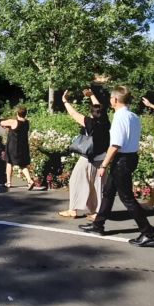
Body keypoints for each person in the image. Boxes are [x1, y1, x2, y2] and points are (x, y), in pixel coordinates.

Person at [79, 86, 154, 248]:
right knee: (108, 192)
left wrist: (104, 165)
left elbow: (115, 144)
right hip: (130, 157)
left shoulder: (119, 117)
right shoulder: (133, 116)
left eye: (111, 98)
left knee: (127, 198)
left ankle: (149, 233)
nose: (110, 100)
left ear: (115, 100)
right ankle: (98, 225)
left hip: (121, 160)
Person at [58, 87, 110, 219]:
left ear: (92, 113)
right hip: (103, 158)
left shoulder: (90, 122)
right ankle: (95, 211)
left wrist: (65, 101)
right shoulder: (106, 123)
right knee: (98, 185)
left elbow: (74, 114)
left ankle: (73, 209)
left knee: (76, 181)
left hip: (88, 158)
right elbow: (99, 108)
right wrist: (92, 94)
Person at [0, 105, 43, 190]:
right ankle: (30, 180)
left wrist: (7, 126)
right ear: (25, 114)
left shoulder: (14, 122)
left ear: (17, 113)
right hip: (23, 146)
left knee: (9, 163)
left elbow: (2, 123)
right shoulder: (27, 122)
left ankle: (8, 182)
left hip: (13, 146)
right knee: (22, 165)